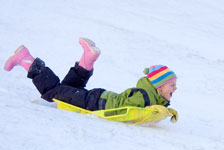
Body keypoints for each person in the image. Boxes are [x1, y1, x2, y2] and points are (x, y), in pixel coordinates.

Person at [4, 37, 178, 122]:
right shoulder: (145, 96)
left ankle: (88, 59)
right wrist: (153, 110)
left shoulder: (150, 95)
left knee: (68, 87)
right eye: (171, 85)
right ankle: (26, 59)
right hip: (93, 103)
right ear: (158, 86)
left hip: (97, 99)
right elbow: (131, 110)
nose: (175, 88)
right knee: (52, 92)